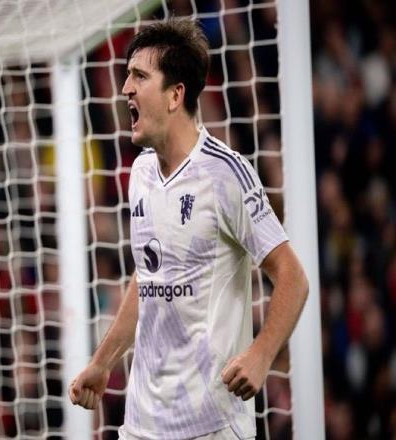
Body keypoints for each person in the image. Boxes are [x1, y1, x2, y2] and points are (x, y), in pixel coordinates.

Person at [69, 18, 309, 440]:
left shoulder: (226, 174)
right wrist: (103, 362)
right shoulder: (141, 173)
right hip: (143, 422)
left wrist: (260, 354)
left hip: (211, 423)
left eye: (139, 76)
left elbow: (293, 276)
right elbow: (149, 277)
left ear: (175, 95)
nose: (125, 87)